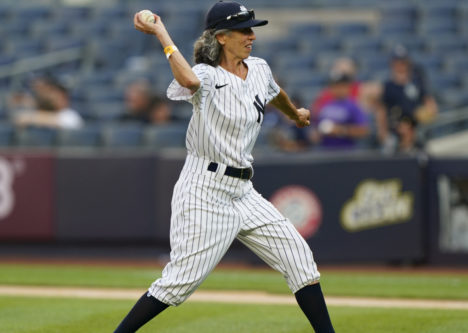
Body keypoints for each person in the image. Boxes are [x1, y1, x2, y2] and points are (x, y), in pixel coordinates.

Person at [114, 2, 334, 332]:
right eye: (244, 30)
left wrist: (295, 114)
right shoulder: (207, 74)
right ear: (221, 37)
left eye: (252, 29)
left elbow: (274, 93)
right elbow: (187, 80)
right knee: (178, 283)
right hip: (204, 190)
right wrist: (162, 33)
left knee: (301, 262)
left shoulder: (258, 67)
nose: (251, 36)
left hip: (243, 191)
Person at [376, 46, 437, 150]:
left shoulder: (417, 82)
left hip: (416, 129)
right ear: (393, 64)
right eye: (398, 62)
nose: (401, 65)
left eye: (403, 62)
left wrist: (429, 112)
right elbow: (382, 111)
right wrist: (383, 132)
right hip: (396, 130)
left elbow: (429, 103)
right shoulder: (389, 86)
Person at [311, 72, 369, 150]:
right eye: (335, 86)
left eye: (341, 86)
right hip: (325, 151)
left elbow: (364, 130)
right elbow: (316, 126)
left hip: (346, 152)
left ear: (347, 87)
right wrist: (316, 134)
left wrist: (341, 130)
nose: (338, 89)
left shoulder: (353, 106)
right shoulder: (325, 105)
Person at [14, 76, 83, 130]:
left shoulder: (70, 115)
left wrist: (31, 118)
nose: (53, 98)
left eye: (59, 96)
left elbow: (62, 121)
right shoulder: (39, 112)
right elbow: (19, 118)